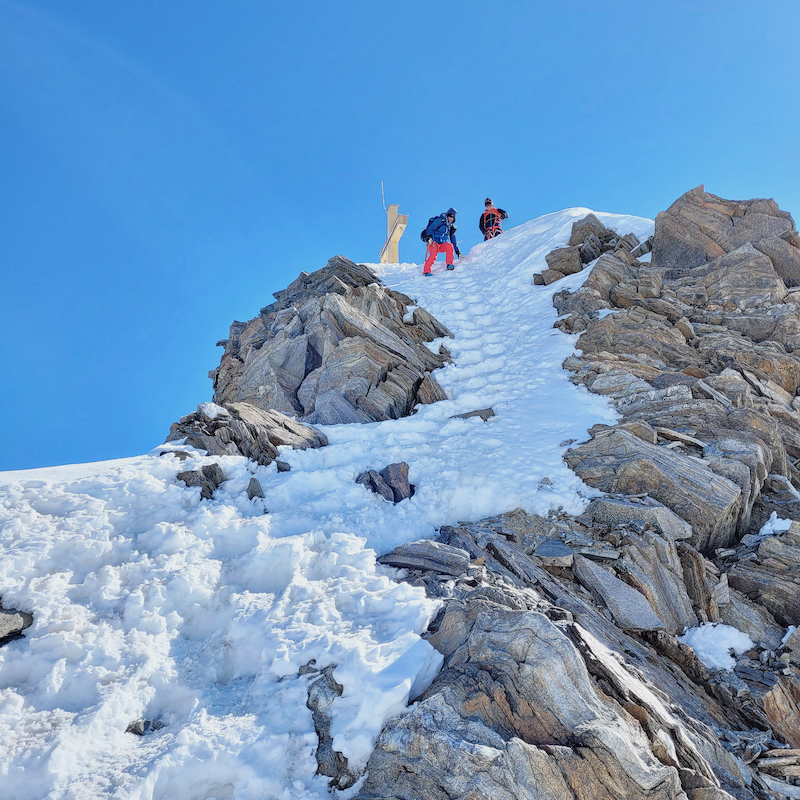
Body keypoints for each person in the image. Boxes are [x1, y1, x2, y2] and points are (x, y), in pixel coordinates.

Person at [422, 207, 461, 275]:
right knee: (433, 255)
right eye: (450, 216)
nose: (451, 218)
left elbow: (453, 240)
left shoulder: (450, 227)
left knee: (449, 246)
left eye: (453, 217)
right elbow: (431, 227)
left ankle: (449, 264)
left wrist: (458, 252)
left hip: (441, 244)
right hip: (433, 242)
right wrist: (429, 237)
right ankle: (426, 271)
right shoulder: (440, 220)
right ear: (447, 215)